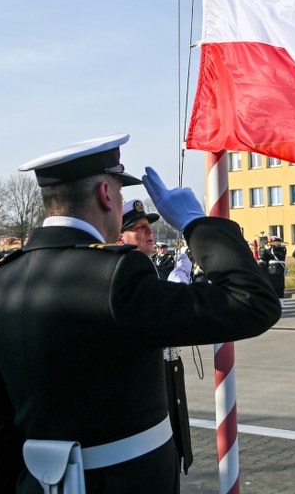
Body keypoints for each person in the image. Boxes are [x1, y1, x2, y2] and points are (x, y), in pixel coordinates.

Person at [0, 134, 281, 493]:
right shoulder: (116, 275)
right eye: (119, 193)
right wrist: (196, 223)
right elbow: (252, 302)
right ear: (106, 193)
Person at [117, 198, 193, 489]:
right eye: (138, 228)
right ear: (119, 236)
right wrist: (177, 287)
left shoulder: (151, 269)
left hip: (168, 383)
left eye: (149, 226)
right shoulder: (122, 274)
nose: (149, 232)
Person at [258, 236, 287, 306]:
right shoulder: (270, 249)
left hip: (278, 269)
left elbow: (276, 254)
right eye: (272, 242)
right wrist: (264, 250)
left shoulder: (281, 249)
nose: (272, 243)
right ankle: (272, 302)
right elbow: (264, 257)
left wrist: (269, 249)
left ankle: (281, 303)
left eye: (274, 242)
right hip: (270, 270)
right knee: (272, 286)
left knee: (279, 287)